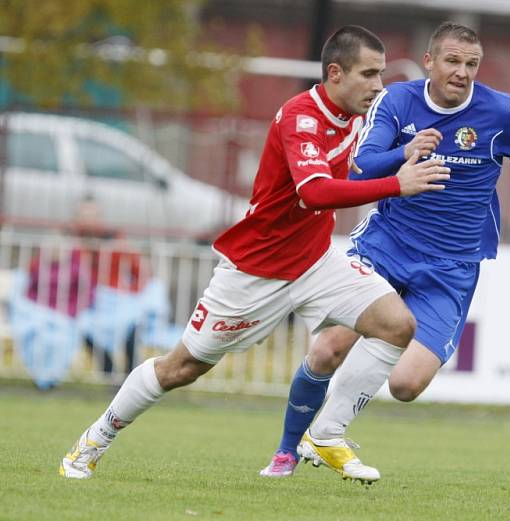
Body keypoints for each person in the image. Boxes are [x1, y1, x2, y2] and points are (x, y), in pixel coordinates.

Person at [58, 25, 451, 479]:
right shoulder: (301, 117)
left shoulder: (353, 118)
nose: (378, 85)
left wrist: (403, 153)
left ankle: (325, 435)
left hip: (316, 263)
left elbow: (354, 169)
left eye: (381, 73)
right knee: (181, 367)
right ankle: (93, 440)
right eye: (368, 73)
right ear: (335, 73)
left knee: (396, 324)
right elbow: (316, 193)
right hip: (258, 272)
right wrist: (397, 184)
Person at [262, 22, 510, 483]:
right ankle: (291, 450)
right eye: (452, 61)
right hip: (386, 245)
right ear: (429, 61)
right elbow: (362, 164)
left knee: (406, 385)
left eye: (471, 64)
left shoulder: (501, 112)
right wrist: (405, 152)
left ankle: (324, 435)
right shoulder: (398, 100)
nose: (462, 73)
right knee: (330, 346)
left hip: (453, 265)